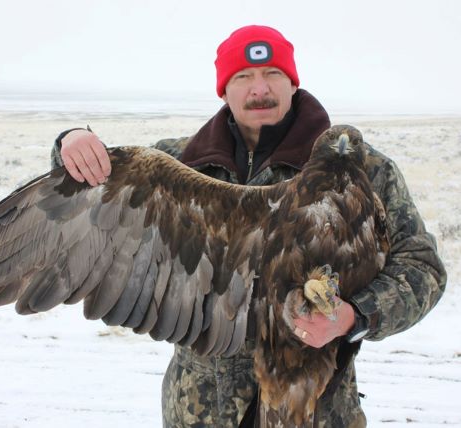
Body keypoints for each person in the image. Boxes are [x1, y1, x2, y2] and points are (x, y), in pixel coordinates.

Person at [50, 25, 446, 427]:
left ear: (292, 83)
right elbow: (88, 197)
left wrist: (356, 315)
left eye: (273, 73)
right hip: (200, 413)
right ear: (224, 90)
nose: (260, 88)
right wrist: (70, 144)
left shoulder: (362, 169)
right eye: (243, 77)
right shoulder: (181, 163)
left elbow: (421, 267)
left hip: (316, 410)